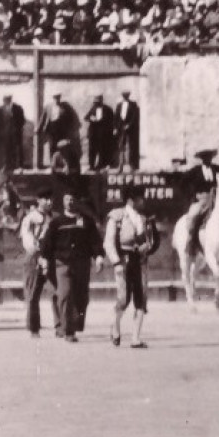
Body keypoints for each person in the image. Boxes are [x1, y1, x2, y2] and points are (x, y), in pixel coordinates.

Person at [40, 189, 102, 342]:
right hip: (63, 264)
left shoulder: (87, 222)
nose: (70, 202)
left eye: (73, 199)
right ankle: (68, 331)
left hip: (82, 264)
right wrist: (44, 259)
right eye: (67, 199)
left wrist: (99, 256)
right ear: (63, 201)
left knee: (81, 297)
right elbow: (47, 244)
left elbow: (95, 241)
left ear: (78, 201)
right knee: (65, 295)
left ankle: (75, 324)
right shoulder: (56, 223)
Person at [103, 186, 158, 349]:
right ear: (130, 200)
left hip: (140, 260)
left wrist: (147, 247)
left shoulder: (143, 218)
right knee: (123, 298)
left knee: (141, 298)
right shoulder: (117, 216)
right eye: (139, 198)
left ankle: (136, 338)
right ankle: (115, 328)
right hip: (124, 259)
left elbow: (150, 240)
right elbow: (109, 242)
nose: (143, 201)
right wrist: (116, 262)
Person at [175, 148, 219, 257]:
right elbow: (182, 183)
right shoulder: (195, 171)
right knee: (192, 217)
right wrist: (192, 195)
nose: (207, 160)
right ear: (202, 159)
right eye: (205, 157)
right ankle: (190, 242)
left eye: (209, 157)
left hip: (216, 199)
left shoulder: (217, 169)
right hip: (201, 199)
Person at [18, 194, 55, 338]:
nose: (49, 201)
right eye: (46, 198)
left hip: (51, 257)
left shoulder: (54, 218)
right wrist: (39, 257)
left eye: (51, 199)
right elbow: (27, 239)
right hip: (34, 257)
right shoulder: (30, 218)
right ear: (38, 200)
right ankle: (34, 327)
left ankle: (60, 326)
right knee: (33, 294)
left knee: (57, 292)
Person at [85, 95, 115, 171]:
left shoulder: (107, 109)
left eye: (98, 102)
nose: (96, 103)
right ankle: (91, 166)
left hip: (102, 133)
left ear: (101, 101)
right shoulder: (93, 108)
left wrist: (110, 129)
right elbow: (86, 117)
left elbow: (112, 120)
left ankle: (100, 165)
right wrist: (91, 118)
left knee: (102, 149)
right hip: (93, 133)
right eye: (95, 102)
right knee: (92, 150)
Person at [114, 91, 140, 170]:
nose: (125, 97)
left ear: (128, 96)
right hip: (120, 128)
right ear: (122, 96)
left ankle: (130, 165)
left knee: (130, 146)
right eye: (124, 96)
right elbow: (116, 117)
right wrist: (115, 128)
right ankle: (120, 165)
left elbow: (134, 116)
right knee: (121, 146)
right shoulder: (119, 105)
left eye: (126, 95)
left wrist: (129, 125)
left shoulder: (133, 104)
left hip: (130, 128)